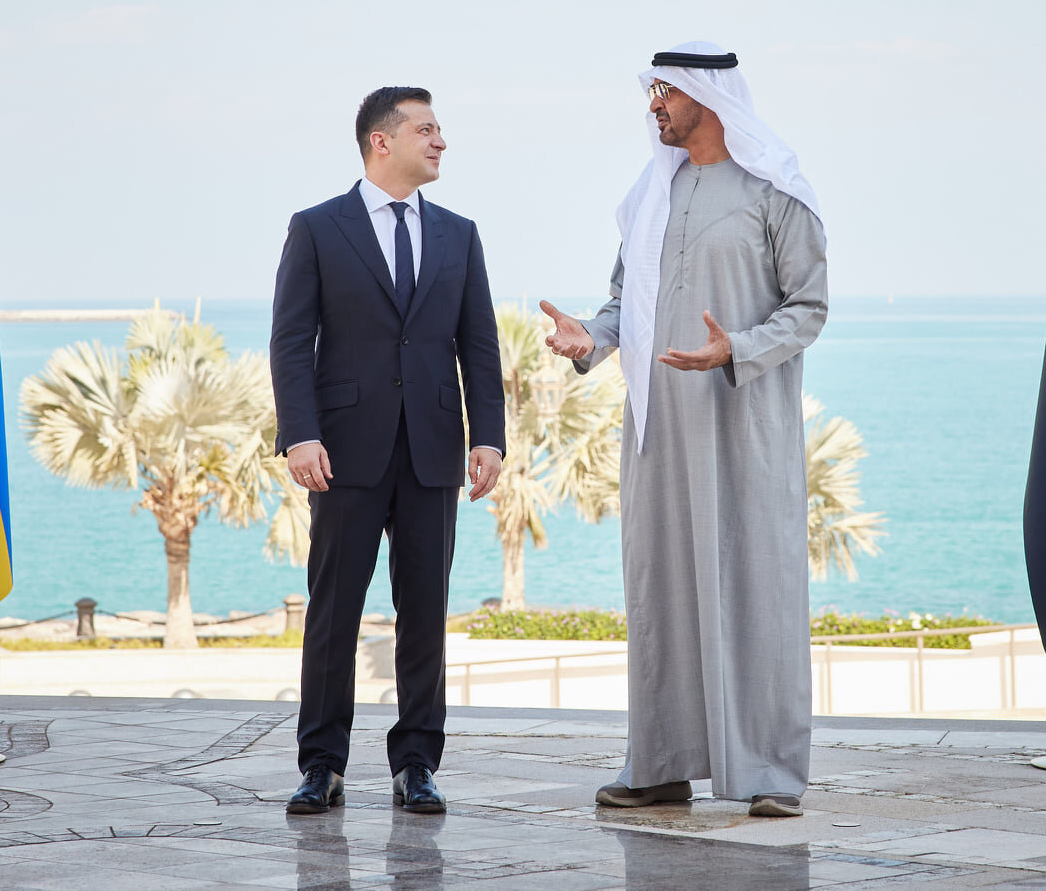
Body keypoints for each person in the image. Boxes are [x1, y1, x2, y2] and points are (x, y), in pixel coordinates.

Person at [540, 42, 827, 818]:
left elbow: (808, 308)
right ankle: (659, 765)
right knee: (659, 588)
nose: (654, 106)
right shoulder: (649, 196)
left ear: (709, 94)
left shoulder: (776, 191)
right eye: (652, 93)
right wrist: (589, 339)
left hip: (744, 425)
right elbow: (622, 302)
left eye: (665, 92)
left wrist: (736, 349)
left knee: (756, 585)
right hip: (657, 429)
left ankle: (769, 773)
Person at [271, 86, 505, 815]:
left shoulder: (460, 234)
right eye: (426, 129)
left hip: (433, 449)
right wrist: (300, 432)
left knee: (424, 614)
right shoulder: (317, 228)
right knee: (333, 613)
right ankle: (322, 765)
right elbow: (290, 340)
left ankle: (417, 765)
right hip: (343, 452)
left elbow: (478, 343)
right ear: (383, 140)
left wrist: (488, 435)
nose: (440, 142)